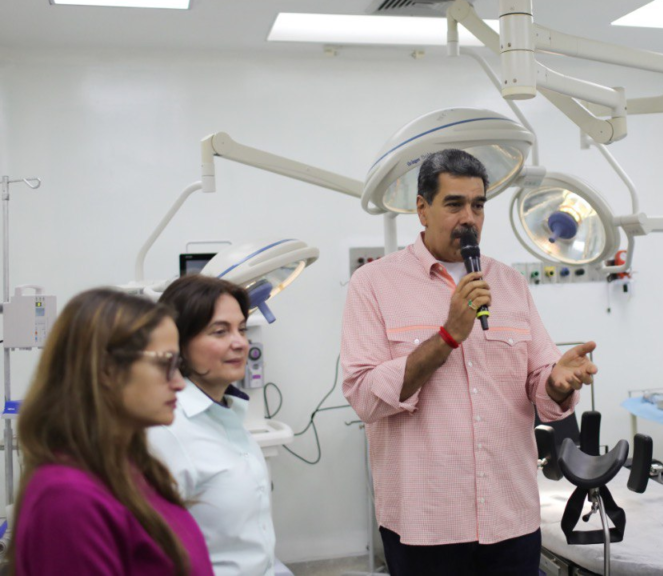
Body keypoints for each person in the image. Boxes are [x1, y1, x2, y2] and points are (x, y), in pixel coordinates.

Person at [341, 149, 598, 575]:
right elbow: (365, 398)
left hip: (510, 516)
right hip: (428, 524)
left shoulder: (510, 283)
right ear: (422, 209)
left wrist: (557, 382)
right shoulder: (373, 285)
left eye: (478, 205)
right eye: (454, 204)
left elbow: (539, 380)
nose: (470, 217)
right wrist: (446, 338)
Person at [11, 288, 213, 575]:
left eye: (178, 365)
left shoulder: (134, 470)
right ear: (106, 369)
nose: (180, 383)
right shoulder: (68, 499)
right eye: (165, 363)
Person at [147, 275, 277, 575]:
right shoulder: (167, 432)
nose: (240, 343)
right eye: (220, 332)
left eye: (242, 329)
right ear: (177, 343)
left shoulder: (228, 415)